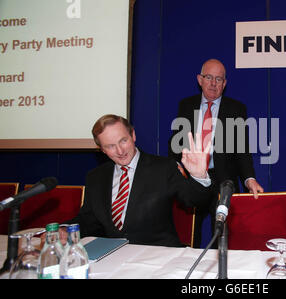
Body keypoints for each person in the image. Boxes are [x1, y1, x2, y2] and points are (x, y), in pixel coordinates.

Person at [67, 114, 212, 247]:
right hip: (112, 257)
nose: (120, 151)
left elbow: (195, 200)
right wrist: (63, 230)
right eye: (110, 146)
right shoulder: (96, 176)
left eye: (123, 141)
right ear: (102, 150)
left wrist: (199, 176)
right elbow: (89, 221)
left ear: (133, 135)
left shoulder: (164, 167)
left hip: (157, 255)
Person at [168, 58, 264, 247]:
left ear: (225, 83)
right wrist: (175, 168)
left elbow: (242, 149)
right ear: (199, 79)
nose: (213, 83)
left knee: (221, 239)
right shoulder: (186, 105)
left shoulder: (236, 108)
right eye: (209, 77)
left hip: (223, 182)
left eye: (218, 79)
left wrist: (249, 178)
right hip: (191, 179)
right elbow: (176, 144)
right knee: (187, 237)